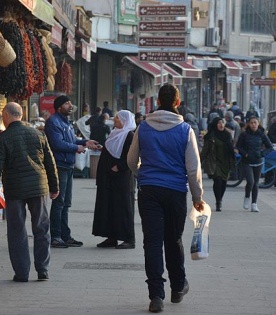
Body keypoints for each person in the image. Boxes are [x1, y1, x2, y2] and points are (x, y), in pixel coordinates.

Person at [127, 84, 205, 313]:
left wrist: (142, 174)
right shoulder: (185, 130)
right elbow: (193, 169)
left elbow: (131, 160)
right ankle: (178, 286)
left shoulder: (144, 127)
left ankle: (156, 296)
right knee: (174, 239)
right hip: (175, 192)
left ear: (158, 101)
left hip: (149, 191)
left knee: (151, 242)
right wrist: (197, 197)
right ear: (177, 103)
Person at [0, 102, 59, 282]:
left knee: (17, 231)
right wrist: (54, 186)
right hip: (38, 188)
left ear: (8, 116)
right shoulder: (38, 134)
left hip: (15, 189)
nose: (2, 118)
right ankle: (43, 270)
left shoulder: (4, 137)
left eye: (3, 114)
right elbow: (50, 162)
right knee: (41, 228)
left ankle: (22, 273)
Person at [45, 95, 98, 248]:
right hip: (60, 166)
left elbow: (71, 139)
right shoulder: (53, 122)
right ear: (59, 106)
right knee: (59, 201)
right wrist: (77, 148)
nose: (70, 105)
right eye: (67, 103)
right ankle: (55, 236)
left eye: (70, 102)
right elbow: (57, 143)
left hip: (68, 166)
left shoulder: (66, 122)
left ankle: (65, 235)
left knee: (66, 203)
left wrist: (85, 142)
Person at [92, 110, 137, 249]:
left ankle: (129, 238)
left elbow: (132, 156)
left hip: (122, 179)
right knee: (109, 207)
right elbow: (112, 150)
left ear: (124, 120)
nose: (115, 119)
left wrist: (120, 166)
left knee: (123, 208)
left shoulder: (130, 135)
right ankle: (111, 237)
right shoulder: (114, 133)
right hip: (108, 178)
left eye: (118, 117)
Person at [236, 117, 273, 212]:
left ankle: (254, 204)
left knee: (256, 183)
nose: (253, 124)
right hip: (247, 161)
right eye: (251, 123)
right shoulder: (244, 134)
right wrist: (245, 154)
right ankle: (247, 197)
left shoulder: (262, 134)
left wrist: (262, 154)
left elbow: (270, 147)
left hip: (258, 161)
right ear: (249, 124)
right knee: (250, 181)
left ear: (258, 124)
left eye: (255, 123)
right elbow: (238, 146)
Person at [200, 117, 235, 212]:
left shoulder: (227, 135)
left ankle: (220, 198)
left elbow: (231, 148)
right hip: (214, 162)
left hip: (226, 162)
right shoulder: (211, 136)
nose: (221, 125)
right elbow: (205, 150)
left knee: (223, 183)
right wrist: (198, 161)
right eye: (219, 123)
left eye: (223, 123)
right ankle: (218, 201)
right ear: (215, 124)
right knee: (218, 181)